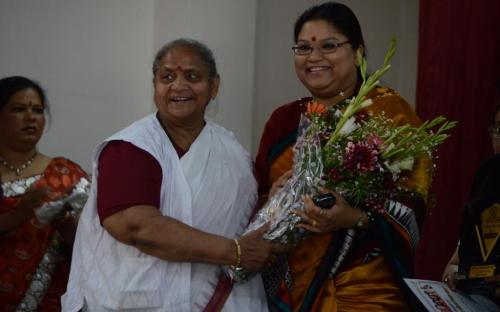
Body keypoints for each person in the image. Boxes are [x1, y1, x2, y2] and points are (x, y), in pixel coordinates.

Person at [62, 38, 285, 312]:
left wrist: (280, 204)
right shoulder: (131, 149)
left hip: (226, 301)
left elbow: (248, 219)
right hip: (132, 303)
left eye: (192, 76)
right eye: (167, 77)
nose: (179, 86)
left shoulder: (234, 155)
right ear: (155, 86)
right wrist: (234, 252)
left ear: (214, 86)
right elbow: (137, 227)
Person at [255, 3, 432, 311]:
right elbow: (255, 200)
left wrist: (354, 217)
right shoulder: (283, 120)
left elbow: (413, 206)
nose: (314, 57)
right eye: (303, 47)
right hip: (293, 289)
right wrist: (273, 199)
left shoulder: (389, 112)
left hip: (366, 291)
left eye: (329, 46)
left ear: (359, 52)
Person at [0, 76, 90, 312]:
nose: (31, 117)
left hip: (51, 300)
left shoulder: (65, 174)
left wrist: (63, 221)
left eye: (38, 111)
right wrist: (15, 216)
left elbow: (94, 245)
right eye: (19, 109)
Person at [442, 103, 500, 307]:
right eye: (498, 129)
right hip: (476, 297)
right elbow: (455, 263)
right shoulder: (487, 174)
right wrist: (454, 275)